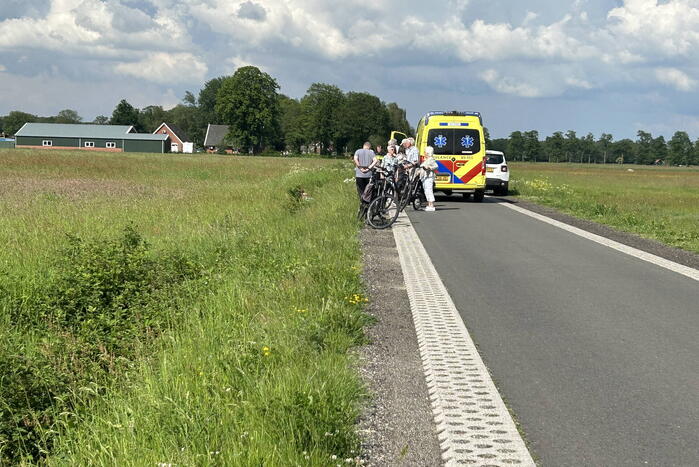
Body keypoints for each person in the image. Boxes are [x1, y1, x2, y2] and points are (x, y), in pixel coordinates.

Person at [420, 146, 438, 212]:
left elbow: (436, 166)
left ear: (428, 153)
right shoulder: (427, 159)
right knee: (426, 191)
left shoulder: (431, 159)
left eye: (425, 152)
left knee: (429, 190)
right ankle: (429, 204)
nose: (424, 153)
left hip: (429, 177)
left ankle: (431, 205)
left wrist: (429, 167)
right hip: (425, 177)